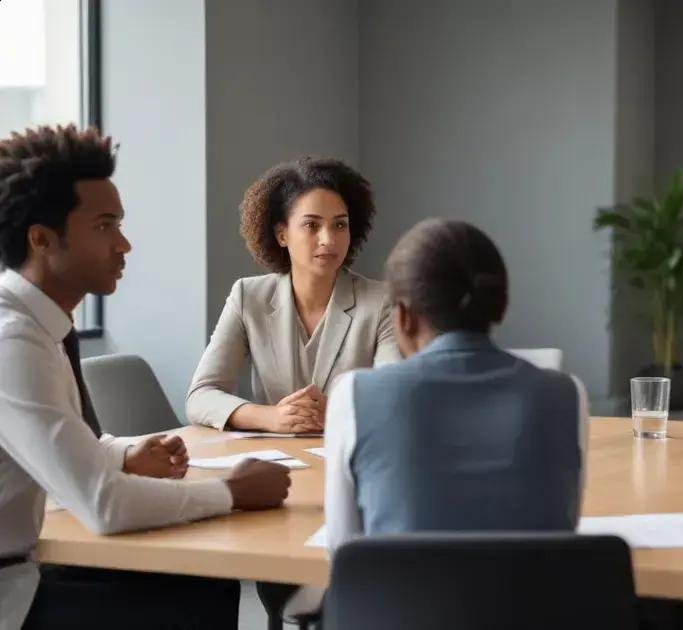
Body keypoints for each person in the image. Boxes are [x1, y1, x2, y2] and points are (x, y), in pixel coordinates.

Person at [0, 125, 291, 630]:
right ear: (42, 239)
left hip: (29, 565)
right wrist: (232, 491)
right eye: (104, 226)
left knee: (201, 582)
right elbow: (103, 504)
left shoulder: (38, 325)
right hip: (11, 595)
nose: (124, 244)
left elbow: (36, 446)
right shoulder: (13, 341)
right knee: (194, 597)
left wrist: (120, 453)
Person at [325, 218, 587, 546]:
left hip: (399, 598)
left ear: (403, 317)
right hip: (530, 598)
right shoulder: (567, 394)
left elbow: (342, 552)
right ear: (500, 307)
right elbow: (564, 532)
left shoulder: (352, 395)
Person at [186, 157, 400, 433]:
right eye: (312, 225)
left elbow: (395, 400)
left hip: (350, 456)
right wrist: (271, 417)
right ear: (281, 234)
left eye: (339, 225)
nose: (328, 239)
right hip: (272, 461)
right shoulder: (248, 296)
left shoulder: (381, 301)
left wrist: (337, 411)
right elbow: (200, 396)